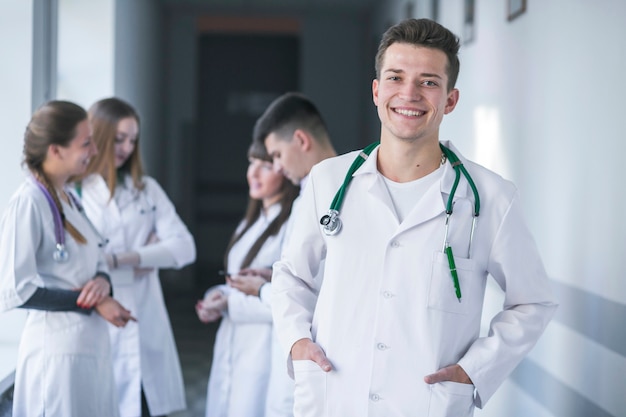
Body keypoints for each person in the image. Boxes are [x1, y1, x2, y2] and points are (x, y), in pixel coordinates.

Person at [271, 18, 558, 417]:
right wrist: (297, 343)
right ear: (376, 90)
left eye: (428, 82)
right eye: (395, 77)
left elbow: (533, 302)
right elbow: (290, 276)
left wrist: (474, 372)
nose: (409, 93)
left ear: (450, 99)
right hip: (333, 396)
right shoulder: (329, 180)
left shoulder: (491, 197)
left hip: (426, 405)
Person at [0, 100, 136, 417]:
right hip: (56, 356)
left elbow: (96, 259)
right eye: (85, 143)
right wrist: (89, 302)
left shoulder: (69, 198)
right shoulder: (29, 203)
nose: (94, 150)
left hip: (86, 350)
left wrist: (103, 282)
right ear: (55, 150)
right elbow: (15, 289)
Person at [76, 97, 196, 417]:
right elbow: (79, 267)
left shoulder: (146, 190)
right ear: (98, 135)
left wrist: (121, 259)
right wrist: (151, 255)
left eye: (132, 139)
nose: (127, 147)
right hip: (94, 324)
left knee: (141, 405)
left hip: (143, 324)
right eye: (119, 139)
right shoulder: (76, 191)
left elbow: (185, 248)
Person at [227, 92, 336, 417]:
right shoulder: (308, 195)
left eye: (276, 155)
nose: (276, 166)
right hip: (294, 351)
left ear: (300, 140)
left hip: (321, 351)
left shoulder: (339, 194)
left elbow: (326, 290)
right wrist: (275, 277)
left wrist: (262, 289)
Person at [196, 138, 299, 417]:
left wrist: (230, 305)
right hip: (234, 340)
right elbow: (238, 281)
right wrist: (217, 296)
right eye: (251, 164)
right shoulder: (250, 222)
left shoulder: (293, 226)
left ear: (285, 169)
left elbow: (291, 298)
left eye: (265, 166)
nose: (252, 173)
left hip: (265, 348)